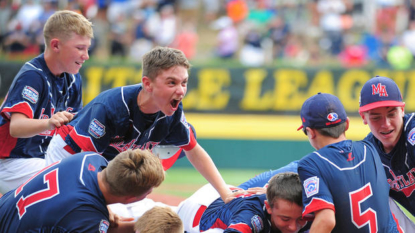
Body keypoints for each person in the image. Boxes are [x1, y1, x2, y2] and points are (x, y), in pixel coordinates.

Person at [45, 46, 234, 204]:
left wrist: (225, 193)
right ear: (148, 84)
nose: (181, 90)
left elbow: (193, 150)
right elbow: (86, 162)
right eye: (171, 82)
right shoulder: (113, 107)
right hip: (68, 154)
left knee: (141, 217)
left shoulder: (172, 110)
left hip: (110, 163)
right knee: (78, 211)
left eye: (184, 82)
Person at [0, 10, 93, 194]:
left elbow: (73, 130)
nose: (86, 55)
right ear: (56, 45)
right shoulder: (33, 76)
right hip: (10, 162)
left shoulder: (74, 79)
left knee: (87, 176)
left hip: (41, 158)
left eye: (87, 48)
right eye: (80, 48)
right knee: (68, 183)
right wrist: (49, 123)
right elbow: (16, 127)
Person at [297, 92, 401, 232]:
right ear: (347, 124)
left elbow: (326, 220)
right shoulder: (370, 148)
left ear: (310, 132)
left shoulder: (310, 163)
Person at [0, 148, 165, 233]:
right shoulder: (85, 217)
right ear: (131, 198)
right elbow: (85, 219)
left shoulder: (89, 158)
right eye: (147, 192)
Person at [177, 168, 309, 233]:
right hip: (195, 214)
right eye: (285, 219)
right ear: (268, 206)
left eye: (301, 219)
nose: (293, 227)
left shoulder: (311, 207)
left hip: (234, 196)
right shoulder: (251, 217)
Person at [359, 76, 415, 222]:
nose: (386, 124)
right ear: (363, 117)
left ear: (402, 109)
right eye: (376, 117)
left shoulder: (412, 131)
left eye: (392, 114)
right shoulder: (368, 153)